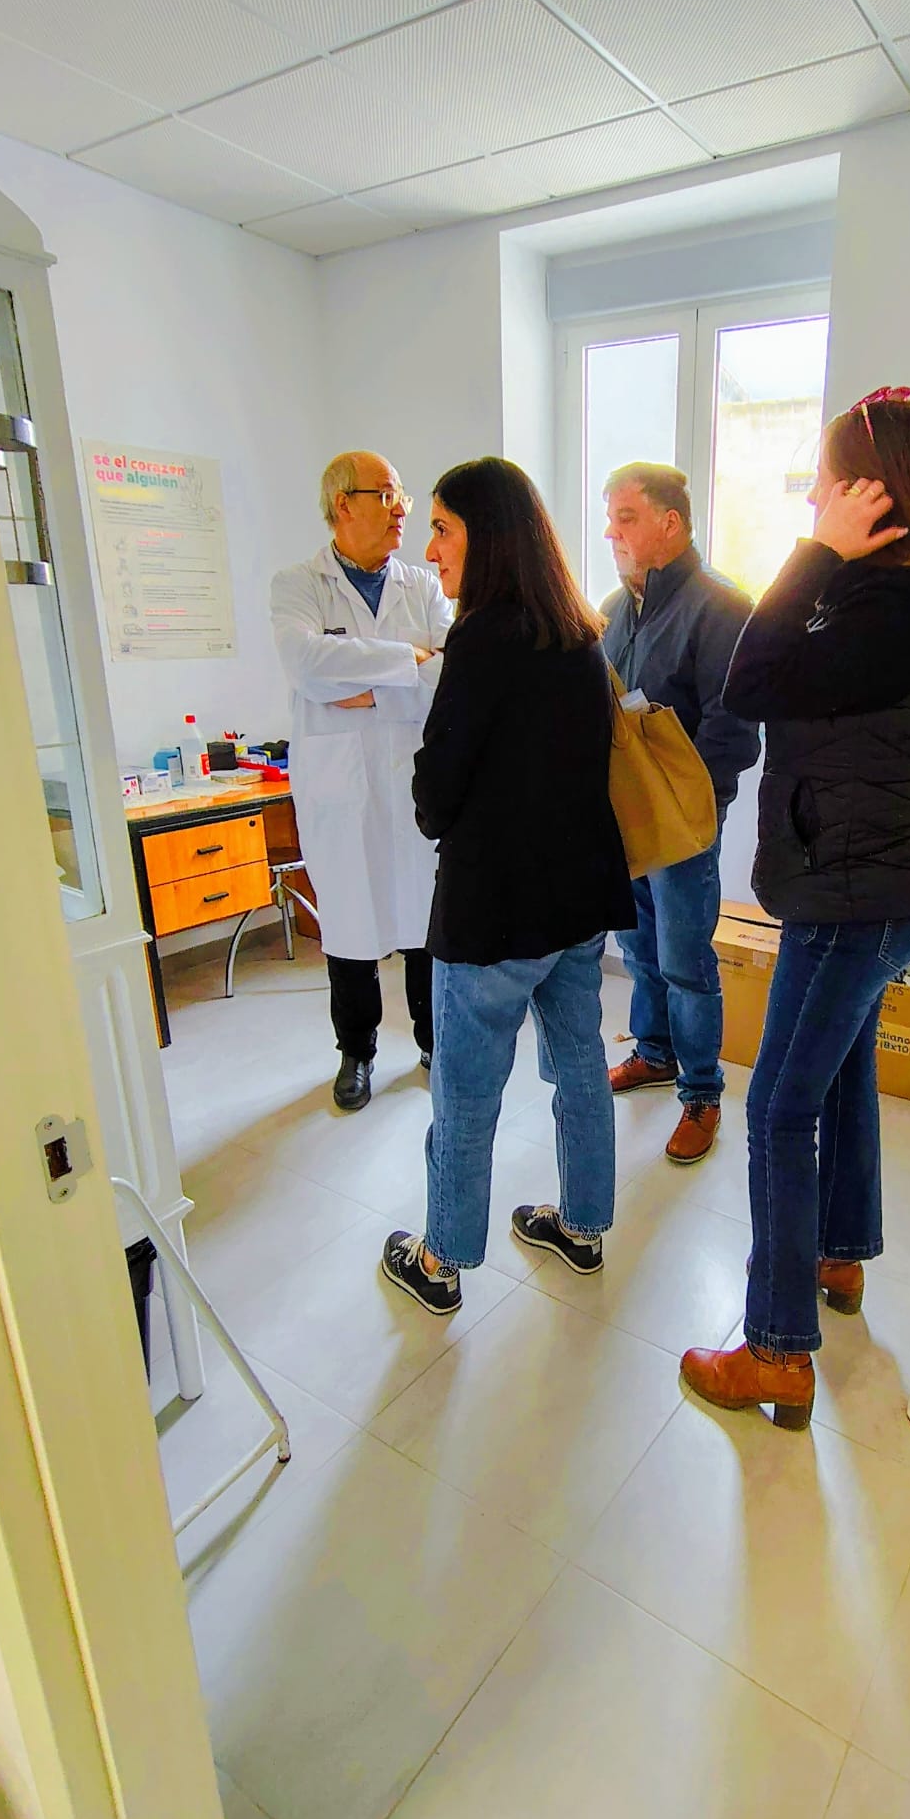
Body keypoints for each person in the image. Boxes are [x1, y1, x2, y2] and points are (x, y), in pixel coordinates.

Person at [680, 389, 910, 1429]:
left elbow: (749, 680)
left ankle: (777, 1351)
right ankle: (840, 1253)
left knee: (778, 1107)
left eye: (827, 482)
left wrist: (813, 554)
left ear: (874, 491)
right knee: (842, 1069)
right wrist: (833, 560)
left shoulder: (894, 604)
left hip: (852, 894)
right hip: (898, 880)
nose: (814, 498)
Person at [380, 458, 636, 1316]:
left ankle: (441, 1260)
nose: (430, 548)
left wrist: (431, 774)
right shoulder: (579, 633)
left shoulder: (482, 639)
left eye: (442, 528)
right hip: (578, 902)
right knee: (581, 1068)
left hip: (495, 913)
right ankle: (583, 1227)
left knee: (466, 1093)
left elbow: (436, 793)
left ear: (486, 535)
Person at [271, 452, 454, 1111]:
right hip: (340, 787)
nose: (402, 509)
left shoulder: (422, 586)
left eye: (402, 495)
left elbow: (451, 671)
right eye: (387, 494)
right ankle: (357, 1051)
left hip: (411, 779)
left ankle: (434, 1043)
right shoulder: (298, 584)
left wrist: (366, 688)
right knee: (349, 924)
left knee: (423, 921)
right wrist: (409, 660)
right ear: (344, 503)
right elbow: (306, 663)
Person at [600, 464, 760, 1166]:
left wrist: (692, 806)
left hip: (684, 821)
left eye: (626, 517)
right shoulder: (615, 608)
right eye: (610, 517)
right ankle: (656, 1052)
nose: (611, 532)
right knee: (639, 948)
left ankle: (701, 1094)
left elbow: (735, 728)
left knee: (687, 962)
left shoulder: (721, 605)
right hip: (625, 814)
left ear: (671, 522)